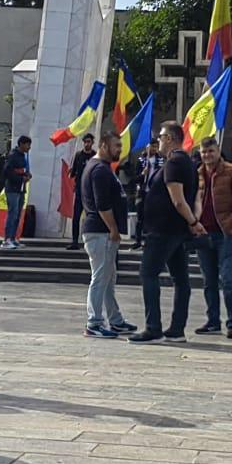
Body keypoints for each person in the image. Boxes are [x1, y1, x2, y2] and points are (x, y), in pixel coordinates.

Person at [130, 122, 203, 344]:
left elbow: (178, 200)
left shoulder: (173, 162)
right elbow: (196, 197)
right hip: (176, 230)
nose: (158, 140)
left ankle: (153, 328)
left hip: (164, 230)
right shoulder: (189, 163)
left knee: (149, 274)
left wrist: (192, 221)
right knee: (180, 278)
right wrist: (194, 220)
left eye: (160, 136)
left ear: (170, 138)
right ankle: (177, 329)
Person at [194, 137, 232, 338]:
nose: (207, 155)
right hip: (203, 234)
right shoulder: (197, 173)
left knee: (229, 280)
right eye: (204, 152)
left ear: (218, 151)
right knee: (209, 281)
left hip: (225, 233)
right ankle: (213, 321)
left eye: (211, 151)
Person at [80, 132, 132, 337]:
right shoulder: (99, 170)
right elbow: (102, 205)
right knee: (100, 277)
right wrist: (113, 228)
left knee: (109, 277)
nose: (119, 149)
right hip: (100, 232)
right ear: (103, 146)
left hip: (103, 232)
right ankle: (94, 323)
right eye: (116, 146)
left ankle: (115, 320)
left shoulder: (102, 168)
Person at [0, 136, 31, 249]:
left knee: (18, 214)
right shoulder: (13, 156)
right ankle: (7, 239)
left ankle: (13, 238)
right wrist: (20, 178)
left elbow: (22, 170)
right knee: (12, 213)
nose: (29, 147)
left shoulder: (23, 156)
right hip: (12, 189)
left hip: (21, 189)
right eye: (27, 145)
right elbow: (7, 172)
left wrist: (26, 175)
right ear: (21, 144)